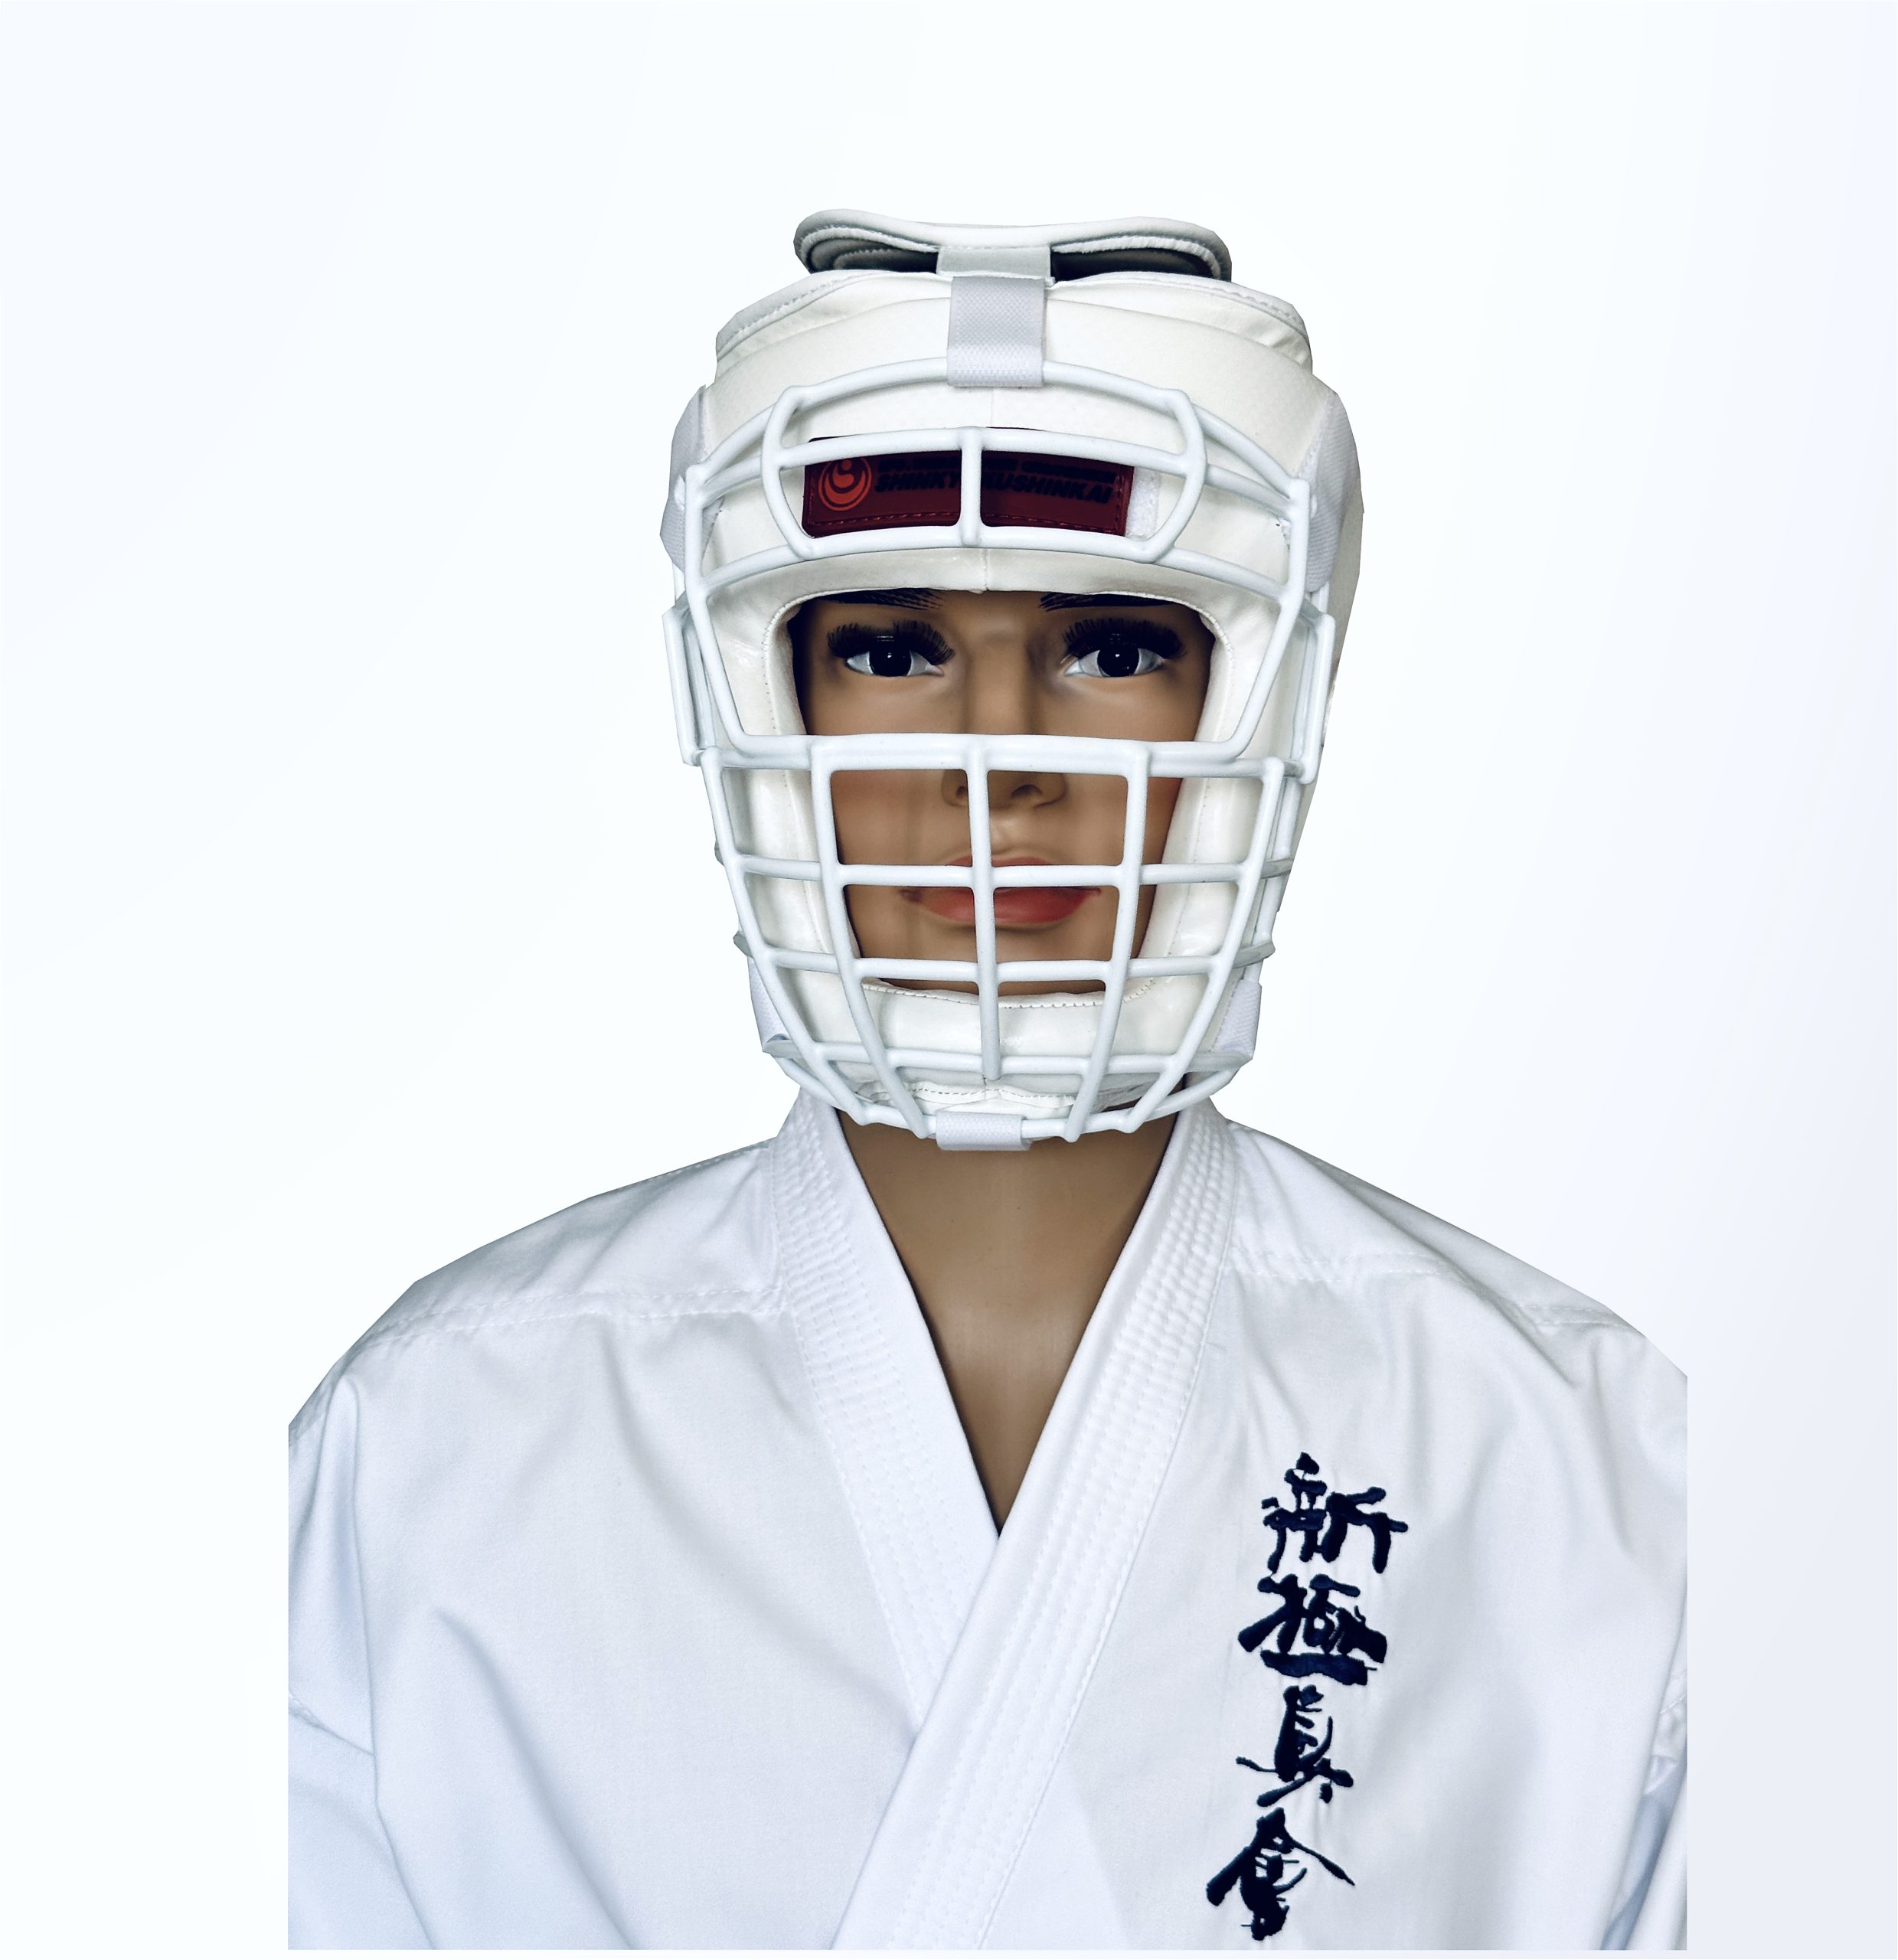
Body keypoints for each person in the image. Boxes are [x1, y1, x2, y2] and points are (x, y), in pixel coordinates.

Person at [289, 211, 1686, 1949]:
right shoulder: (432, 1445)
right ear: (762, 697)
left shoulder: (1576, 1460)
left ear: (1253, 704)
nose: (992, 761)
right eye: (890, 649)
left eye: (1114, 647)